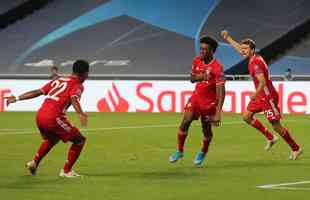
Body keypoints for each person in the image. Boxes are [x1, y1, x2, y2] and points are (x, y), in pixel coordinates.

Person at [221, 30, 302, 159]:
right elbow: (239, 49)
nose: (243, 51)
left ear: (252, 50)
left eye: (246, 49)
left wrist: (255, 94)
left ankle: (296, 148)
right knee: (247, 116)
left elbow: (263, 81)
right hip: (261, 96)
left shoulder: (255, 63)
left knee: (276, 126)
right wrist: (228, 38)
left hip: (267, 96)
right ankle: (270, 138)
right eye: (243, 49)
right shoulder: (254, 58)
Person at [5, 60, 90, 177]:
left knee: (53, 138)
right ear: (84, 73)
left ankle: (34, 163)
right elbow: (74, 98)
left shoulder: (58, 80)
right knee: (79, 140)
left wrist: (17, 98)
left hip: (40, 115)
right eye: (87, 74)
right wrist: (80, 113)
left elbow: (38, 91)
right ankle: (66, 171)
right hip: (53, 117)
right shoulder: (77, 85)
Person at [169, 36, 226, 166]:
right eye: (201, 48)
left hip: (209, 102)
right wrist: (202, 76)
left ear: (212, 51)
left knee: (206, 130)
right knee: (185, 121)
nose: (201, 51)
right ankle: (179, 150)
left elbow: (221, 91)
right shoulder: (196, 61)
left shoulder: (218, 67)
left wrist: (218, 112)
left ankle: (203, 151)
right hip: (196, 98)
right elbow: (192, 78)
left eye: (205, 49)